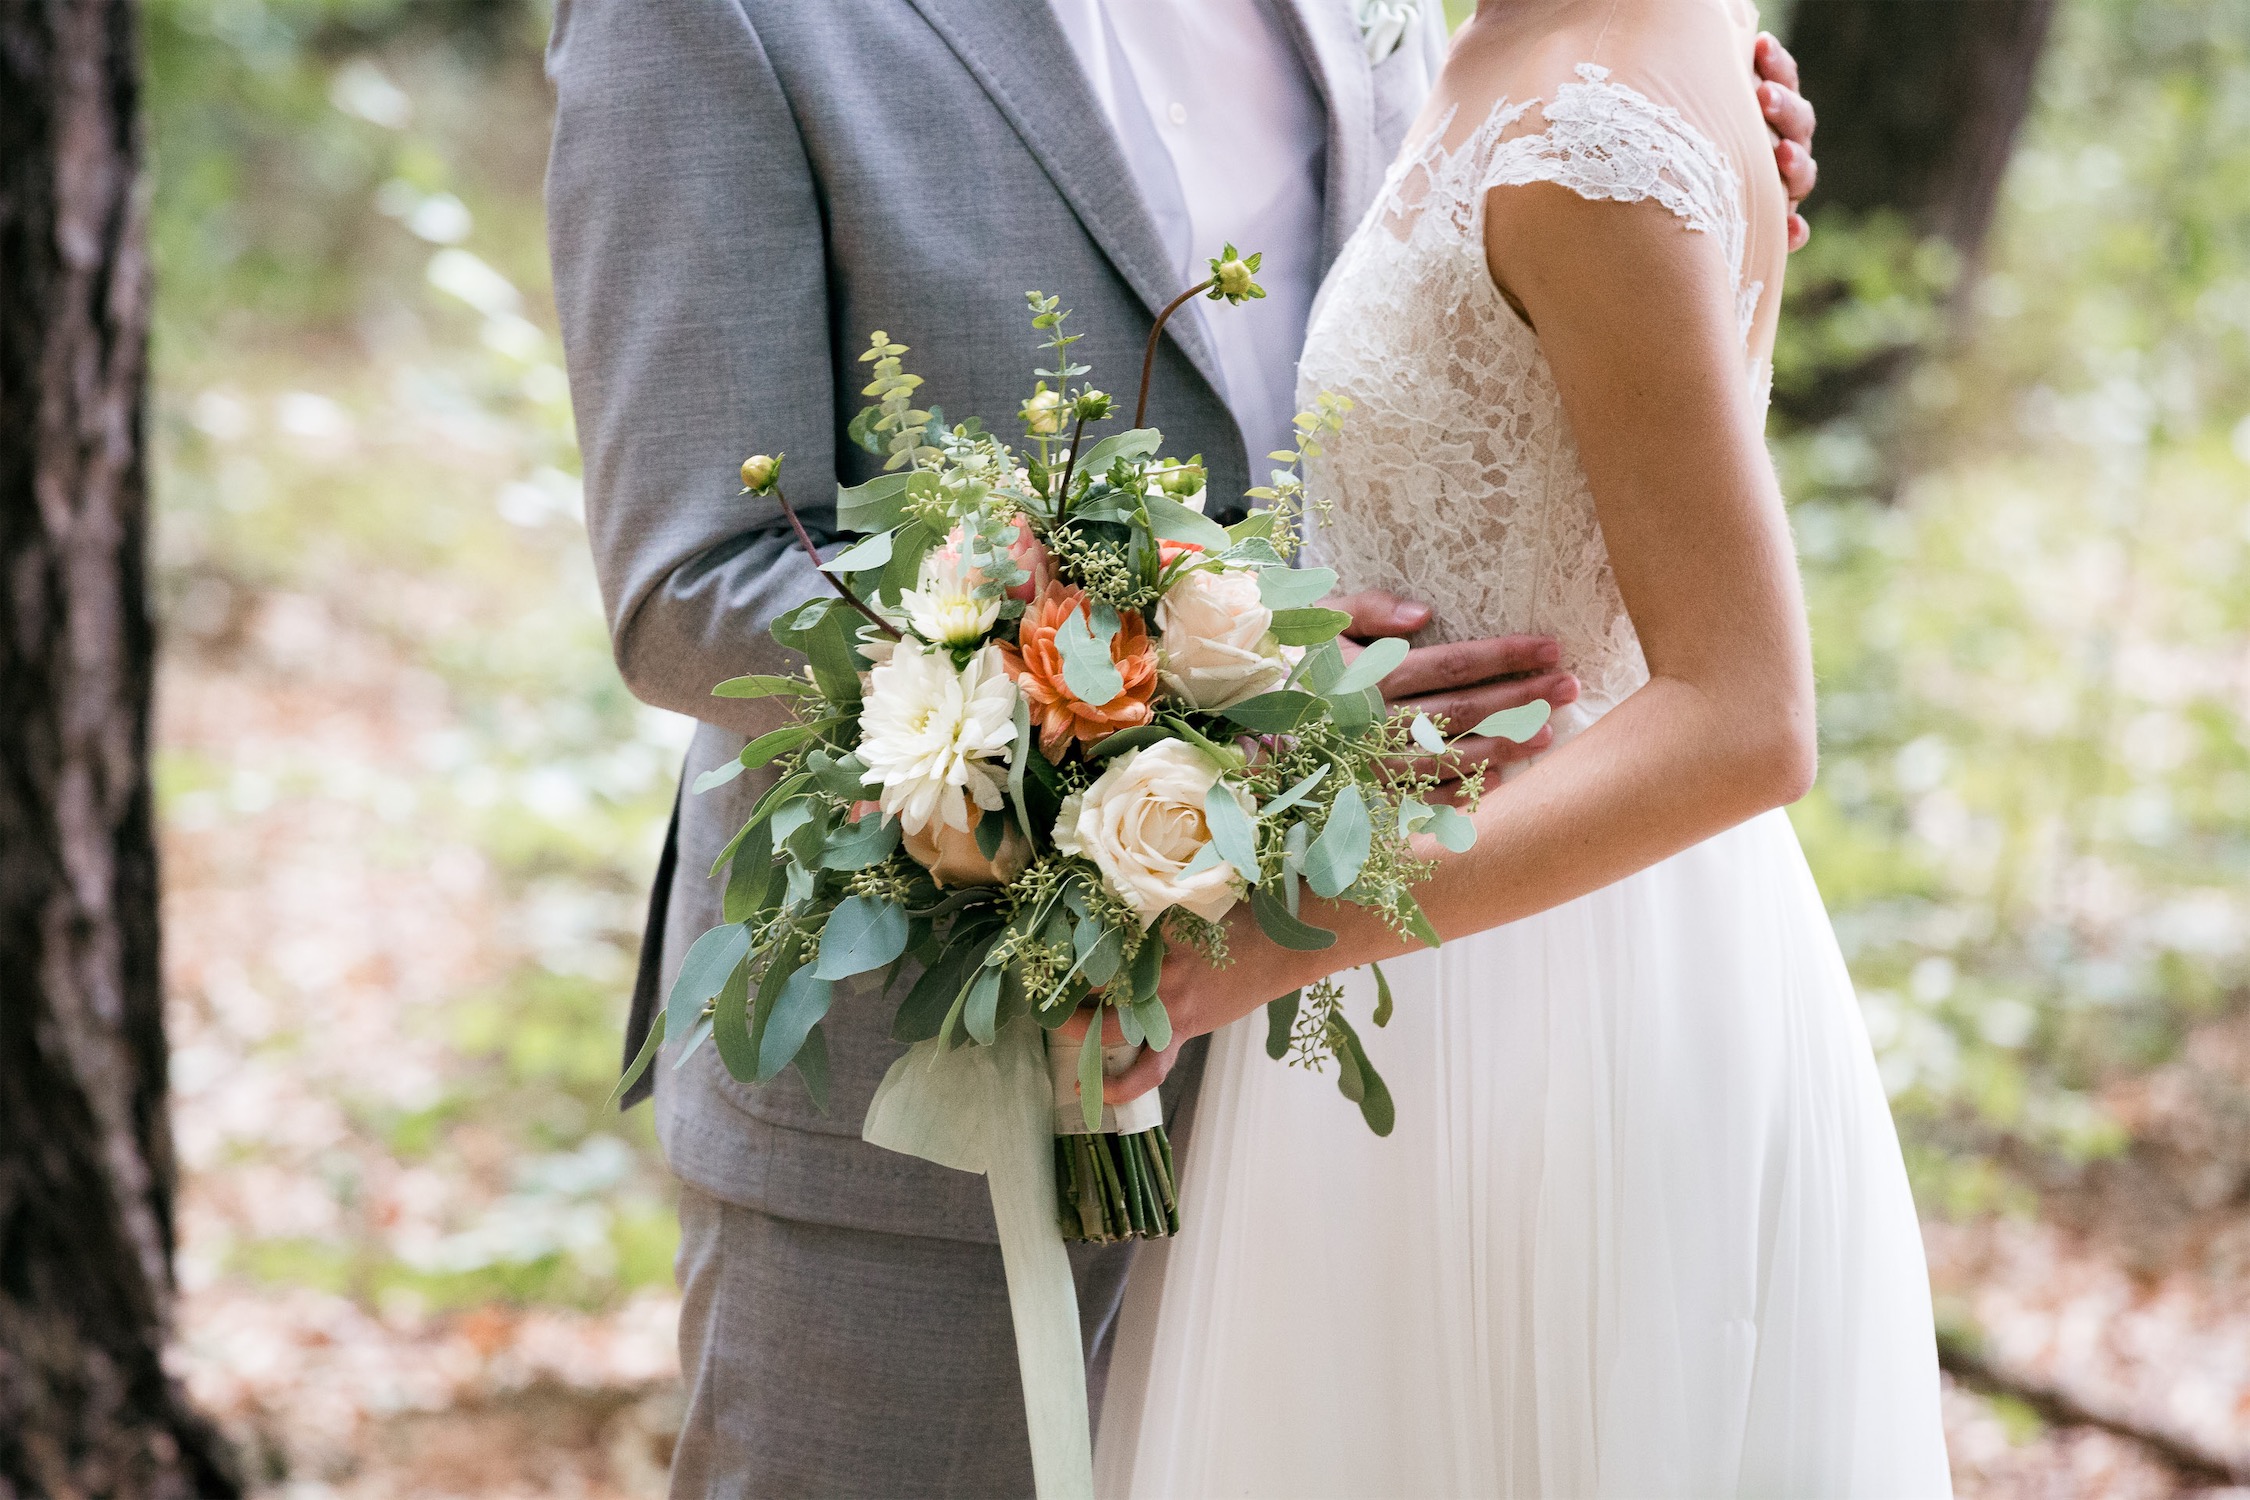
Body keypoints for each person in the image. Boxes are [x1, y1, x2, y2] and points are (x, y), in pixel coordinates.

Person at [543, 1, 1818, 1493]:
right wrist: (1208, 658)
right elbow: (692, 591)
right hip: (938, 1077)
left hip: (1389, 1073)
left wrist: (1676, 157)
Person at [1092, 0, 1950, 1495]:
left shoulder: (1584, 131)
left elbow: (1748, 717)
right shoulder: (1518, 46)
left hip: (1530, 989)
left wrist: (1275, 946)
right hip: (1456, 941)